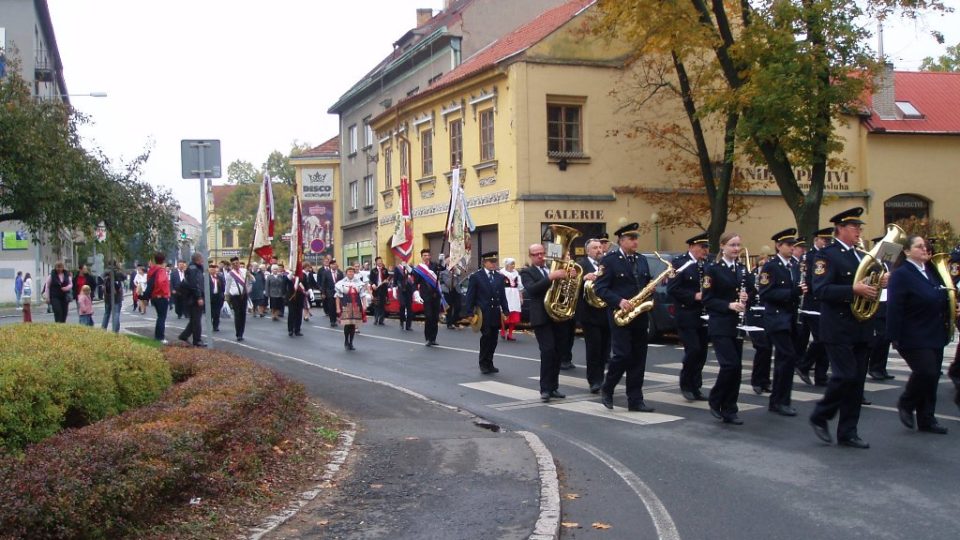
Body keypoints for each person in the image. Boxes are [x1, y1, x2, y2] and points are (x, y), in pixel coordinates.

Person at [809, 207, 876, 449]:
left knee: (856, 383)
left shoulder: (861, 255)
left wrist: (879, 282)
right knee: (845, 375)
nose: (858, 230)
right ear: (840, 229)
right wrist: (853, 290)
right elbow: (821, 290)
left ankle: (848, 432)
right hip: (837, 326)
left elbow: (868, 286)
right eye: (853, 227)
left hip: (860, 325)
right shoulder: (827, 255)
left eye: (859, 227)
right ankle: (820, 415)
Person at [887, 235, 955, 434]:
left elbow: (940, 295)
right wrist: (893, 336)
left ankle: (927, 418)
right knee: (926, 372)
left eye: (926, 246)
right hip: (913, 333)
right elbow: (894, 306)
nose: (925, 249)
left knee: (932, 378)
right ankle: (906, 403)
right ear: (907, 251)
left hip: (934, 331)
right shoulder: (901, 274)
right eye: (919, 246)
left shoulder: (931, 271)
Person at [594, 224, 656, 412]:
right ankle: (608, 387)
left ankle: (635, 400)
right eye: (631, 238)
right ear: (621, 241)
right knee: (621, 355)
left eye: (636, 238)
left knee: (639, 358)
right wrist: (619, 301)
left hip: (639, 315)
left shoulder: (642, 260)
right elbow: (600, 288)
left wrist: (651, 290)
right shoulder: (610, 260)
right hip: (619, 315)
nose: (635, 242)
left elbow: (646, 284)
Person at [703, 232, 752, 425]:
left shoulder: (741, 269)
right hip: (720, 323)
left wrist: (747, 296)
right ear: (722, 246)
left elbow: (751, 290)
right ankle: (716, 399)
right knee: (729, 365)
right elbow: (707, 299)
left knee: (737, 368)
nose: (736, 249)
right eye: (732, 245)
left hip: (736, 324)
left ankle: (730, 408)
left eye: (738, 245)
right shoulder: (713, 269)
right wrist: (729, 305)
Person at [758, 228, 806, 417]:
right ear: (778, 246)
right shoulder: (771, 266)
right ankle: (781, 400)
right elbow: (765, 293)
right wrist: (792, 293)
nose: (792, 248)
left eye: (793, 245)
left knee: (784, 359)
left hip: (790, 317)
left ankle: (778, 400)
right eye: (788, 245)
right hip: (777, 318)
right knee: (787, 356)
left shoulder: (793, 266)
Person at [521, 243, 570, 402]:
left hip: (556, 316)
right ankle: (545, 389)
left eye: (542, 253)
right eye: (536, 254)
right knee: (548, 351)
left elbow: (563, 289)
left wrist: (570, 275)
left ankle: (554, 387)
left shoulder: (552, 268)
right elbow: (532, 290)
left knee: (557, 352)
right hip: (541, 317)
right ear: (531, 256)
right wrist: (551, 277)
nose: (541, 256)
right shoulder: (527, 272)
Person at [667, 232, 710, 401]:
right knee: (693, 350)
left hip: (703, 315)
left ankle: (696, 386)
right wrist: (694, 296)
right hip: (686, 314)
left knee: (703, 353)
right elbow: (673, 289)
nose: (704, 250)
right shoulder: (680, 263)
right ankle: (686, 383)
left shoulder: (705, 265)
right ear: (692, 246)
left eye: (706, 247)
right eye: (702, 247)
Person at [796, 228, 834, 386]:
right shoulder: (809, 257)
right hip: (812, 303)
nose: (826, 242)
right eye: (824, 240)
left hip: (825, 304)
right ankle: (804, 365)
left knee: (826, 340)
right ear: (816, 240)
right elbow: (807, 279)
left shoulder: (828, 255)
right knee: (822, 338)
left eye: (828, 240)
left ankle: (821, 375)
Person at [465, 251, 511, 374]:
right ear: (484, 262)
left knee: (494, 340)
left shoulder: (499, 277)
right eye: (491, 262)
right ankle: (483, 363)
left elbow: (502, 296)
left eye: (495, 262)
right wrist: (469, 312)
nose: (493, 264)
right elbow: (470, 296)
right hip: (483, 313)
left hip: (495, 313)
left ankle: (490, 362)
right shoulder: (476, 276)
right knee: (486, 337)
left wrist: (506, 310)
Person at [578, 239, 612, 393]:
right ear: (588, 251)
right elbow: (572, 286)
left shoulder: (607, 264)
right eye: (595, 248)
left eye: (600, 247)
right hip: (590, 314)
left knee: (605, 349)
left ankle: (603, 379)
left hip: (606, 312)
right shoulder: (581, 265)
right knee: (594, 349)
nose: (599, 250)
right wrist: (584, 278)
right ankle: (594, 381)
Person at [867, 235, 895, 381]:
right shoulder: (871, 263)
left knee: (886, 338)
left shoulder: (888, 264)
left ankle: (881, 367)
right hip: (877, 302)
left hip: (887, 301)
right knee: (879, 337)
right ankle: (874, 367)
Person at [412, 248, 444, 346]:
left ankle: (433, 338)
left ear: (430, 256)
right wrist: (416, 293)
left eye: (428, 255)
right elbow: (415, 283)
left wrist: (442, 261)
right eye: (424, 255)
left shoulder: (434, 265)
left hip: (436, 294)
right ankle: (428, 338)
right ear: (422, 257)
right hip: (426, 295)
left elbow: (443, 269)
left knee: (435, 317)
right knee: (429, 316)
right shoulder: (418, 269)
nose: (426, 257)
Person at [178, 253, 207, 347]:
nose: (203, 260)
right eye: (201, 258)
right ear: (198, 259)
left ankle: (184, 336)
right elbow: (195, 285)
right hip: (193, 298)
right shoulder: (193, 269)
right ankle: (197, 340)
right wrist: (199, 297)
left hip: (192, 297)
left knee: (194, 320)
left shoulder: (195, 268)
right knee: (196, 320)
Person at [336, 265, 367, 350]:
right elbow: (338, 296)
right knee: (347, 324)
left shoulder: (359, 283)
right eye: (349, 272)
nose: (351, 273)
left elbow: (363, 295)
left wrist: (364, 305)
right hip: (346, 304)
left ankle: (351, 343)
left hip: (356, 305)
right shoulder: (341, 283)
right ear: (346, 273)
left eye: (352, 272)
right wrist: (338, 308)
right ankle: (346, 340)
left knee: (353, 324)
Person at [143, 252, 171, 343]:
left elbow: (150, 283)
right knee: (162, 318)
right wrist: (164, 293)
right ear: (163, 261)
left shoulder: (152, 270)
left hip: (154, 296)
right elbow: (161, 282)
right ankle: (160, 337)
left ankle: (158, 336)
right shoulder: (161, 271)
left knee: (160, 317)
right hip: (161, 296)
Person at [225, 256, 249, 342]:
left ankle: (241, 332)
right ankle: (238, 333)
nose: (236, 265)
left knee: (243, 314)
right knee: (237, 314)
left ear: (239, 263)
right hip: (235, 297)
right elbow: (227, 287)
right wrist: (226, 297)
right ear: (231, 265)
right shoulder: (230, 274)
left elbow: (252, 280)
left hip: (244, 295)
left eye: (237, 263)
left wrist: (249, 275)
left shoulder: (244, 271)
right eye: (233, 264)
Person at [499, 258, 523, 341]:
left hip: (515, 295)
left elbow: (520, 286)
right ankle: (502, 331)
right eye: (511, 264)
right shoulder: (501, 273)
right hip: (506, 294)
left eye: (514, 264)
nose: (513, 266)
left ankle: (510, 334)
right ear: (507, 265)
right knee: (505, 313)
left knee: (514, 314)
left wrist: (521, 297)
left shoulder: (516, 274)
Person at [100, 265, 126, 333]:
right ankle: (115, 330)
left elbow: (100, 278)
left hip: (107, 296)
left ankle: (103, 328)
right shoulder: (118, 272)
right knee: (116, 313)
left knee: (106, 313)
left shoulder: (105, 272)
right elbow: (124, 277)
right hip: (117, 296)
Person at [320, 260, 344, 327]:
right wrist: (323, 293)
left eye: (335, 264)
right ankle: (332, 321)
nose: (334, 265)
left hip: (338, 292)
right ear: (330, 265)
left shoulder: (340, 273)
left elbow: (342, 282)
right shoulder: (326, 273)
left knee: (338, 306)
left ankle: (337, 317)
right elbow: (323, 283)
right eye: (333, 264)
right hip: (330, 292)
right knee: (331, 307)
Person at [284, 268, 307, 337]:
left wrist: (309, 290)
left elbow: (306, 284)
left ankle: (297, 330)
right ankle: (290, 330)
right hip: (291, 297)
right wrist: (291, 274)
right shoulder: (288, 276)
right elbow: (285, 282)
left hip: (300, 297)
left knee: (299, 314)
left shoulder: (303, 275)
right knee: (291, 313)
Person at [369, 256, 391, 325]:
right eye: (379, 261)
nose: (380, 262)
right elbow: (370, 280)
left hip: (383, 289)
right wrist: (372, 284)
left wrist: (386, 281)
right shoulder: (373, 270)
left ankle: (381, 320)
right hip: (376, 289)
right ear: (376, 262)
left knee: (382, 305)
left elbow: (388, 278)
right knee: (376, 305)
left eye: (381, 261)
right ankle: (376, 319)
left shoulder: (385, 270)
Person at [394, 262, 415, 331]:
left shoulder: (410, 267)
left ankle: (408, 325)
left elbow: (413, 275)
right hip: (401, 290)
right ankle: (402, 322)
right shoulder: (397, 268)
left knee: (409, 308)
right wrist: (394, 290)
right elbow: (395, 280)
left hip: (409, 290)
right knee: (402, 305)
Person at [207, 264, 225, 332]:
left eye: (214, 269)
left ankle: (215, 326)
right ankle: (209, 324)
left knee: (217, 313)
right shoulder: (206, 278)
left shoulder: (219, 277)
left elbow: (223, 286)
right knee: (210, 312)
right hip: (210, 297)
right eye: (211, 269)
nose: (213, 271)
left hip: (218, 296)